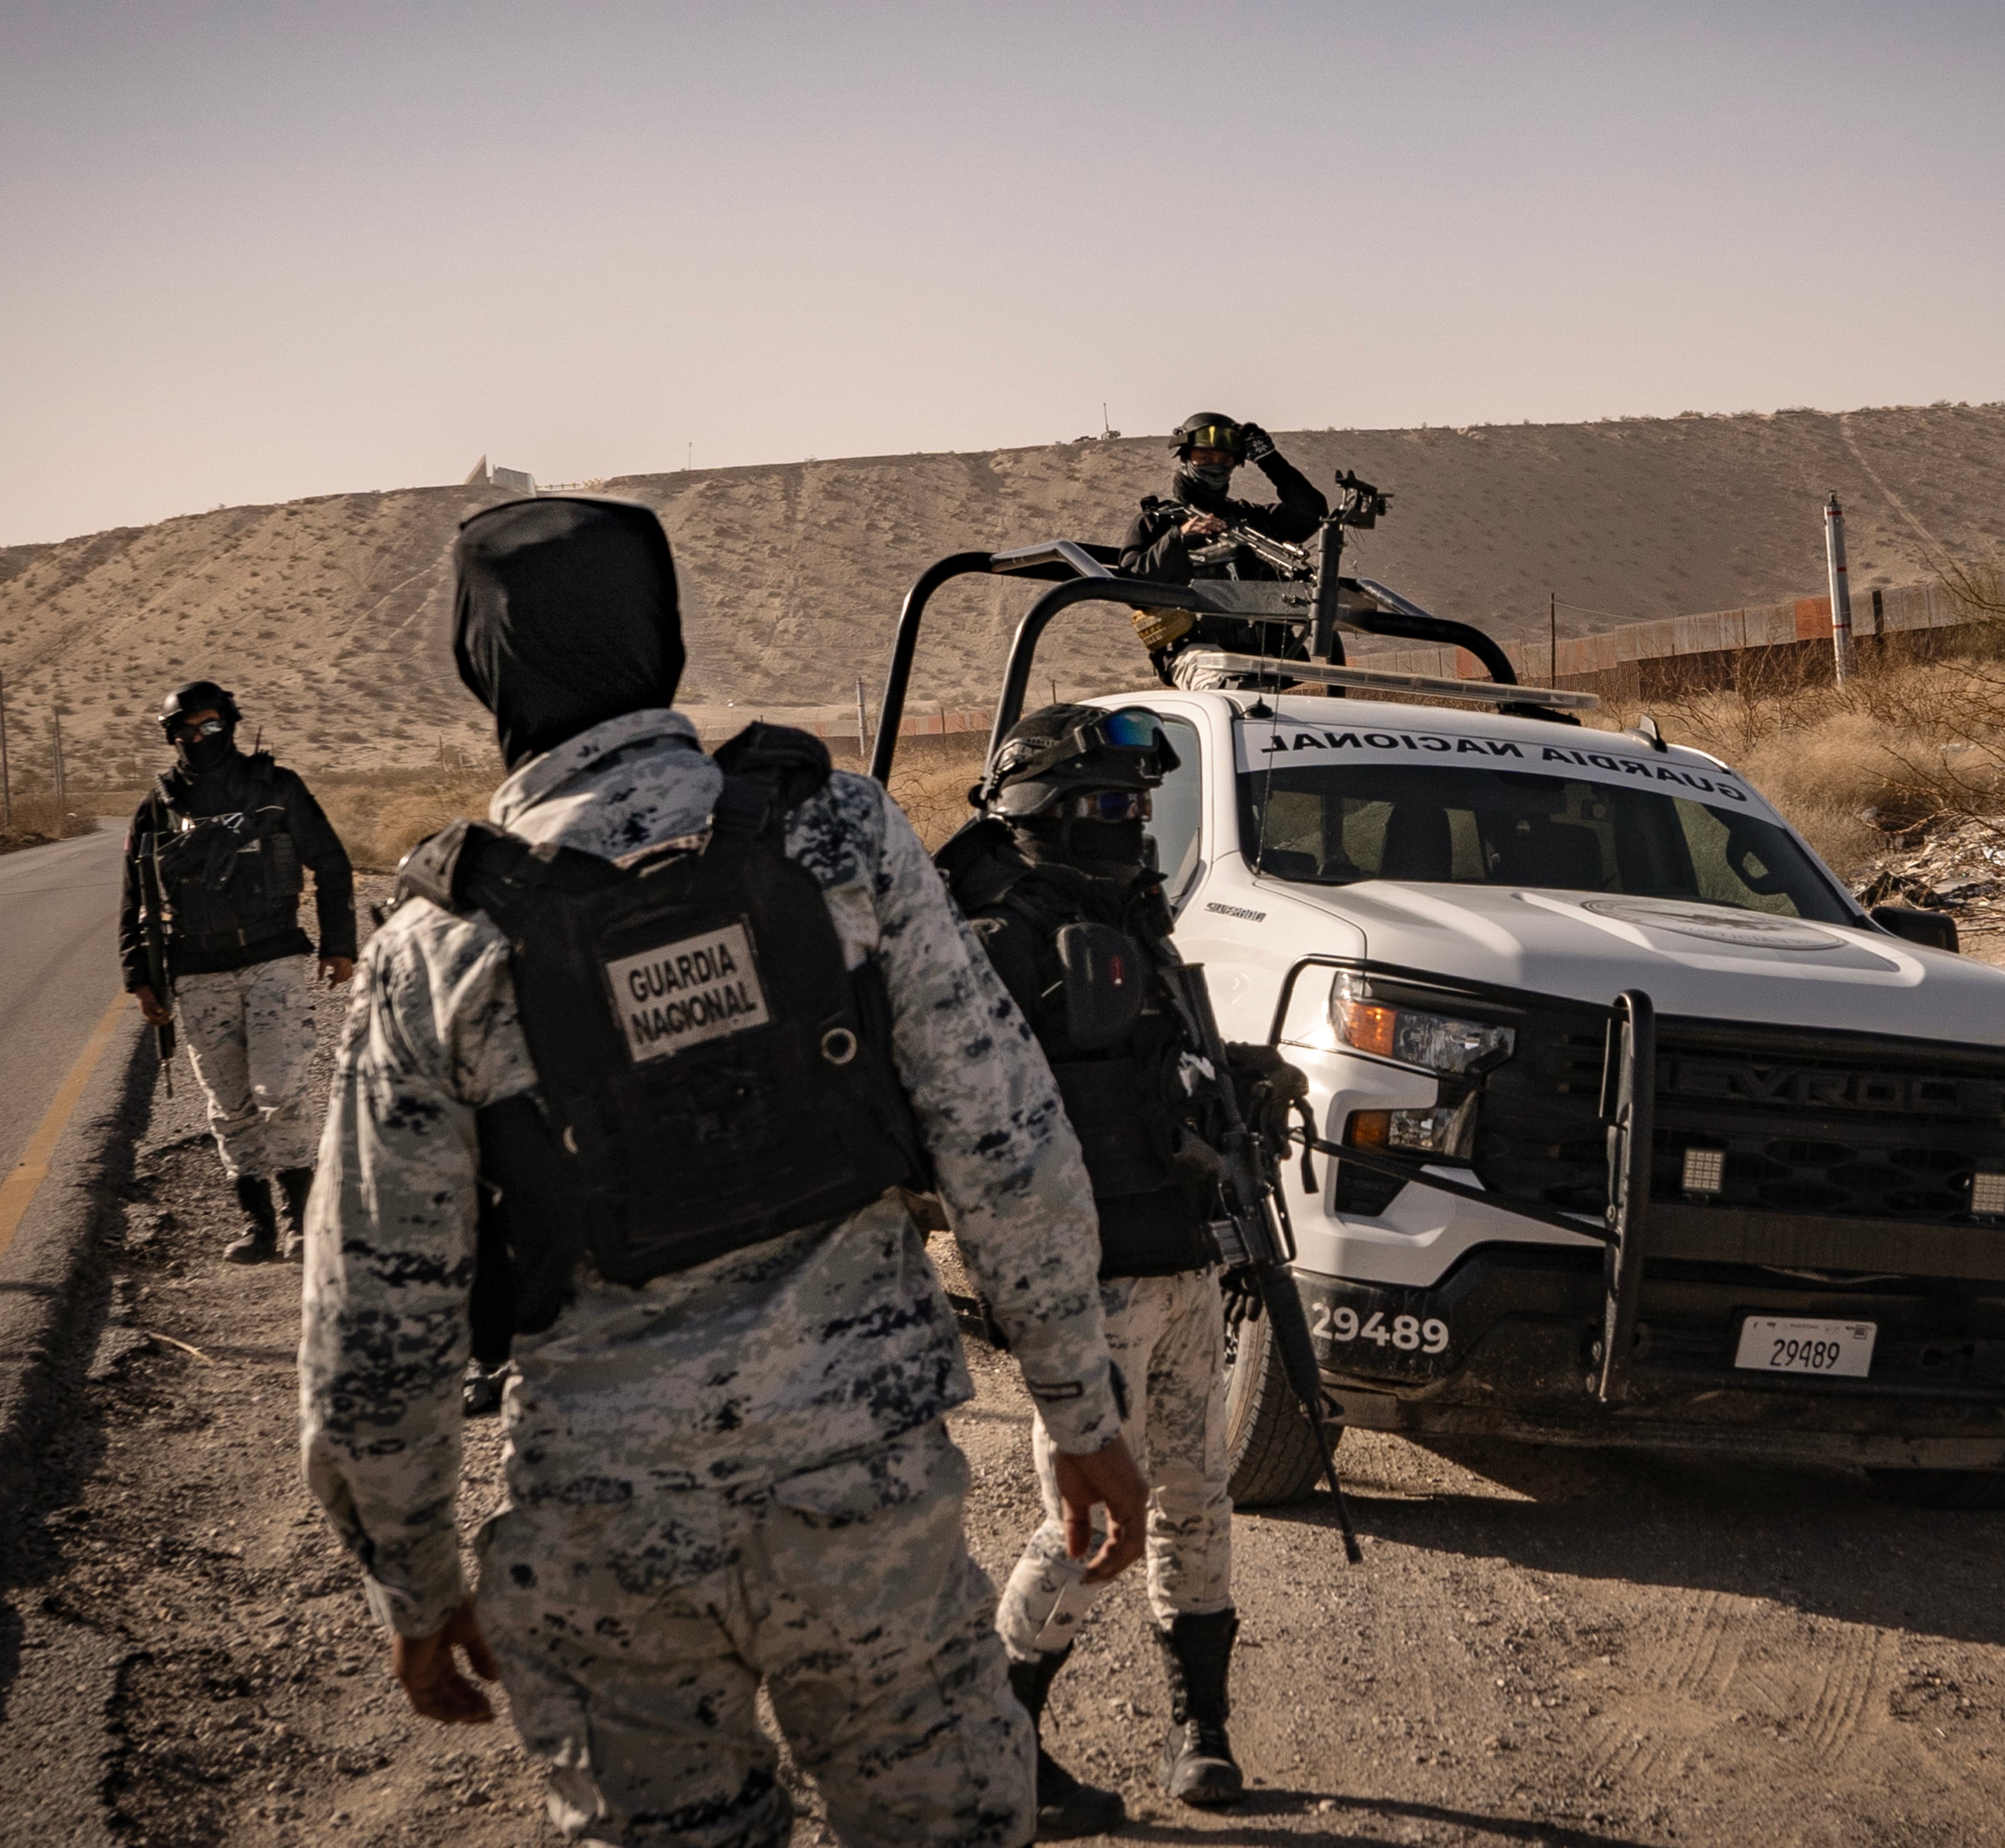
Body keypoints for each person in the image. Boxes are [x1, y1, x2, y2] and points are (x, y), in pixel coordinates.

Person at [299, 496, 1152, 1848]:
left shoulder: (434, 950)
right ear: (665, 638)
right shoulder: (843, 839)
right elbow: (1007, 1139)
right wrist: (1077, 1407)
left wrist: (411, 1584)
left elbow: (372, 1334)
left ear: (484, 667)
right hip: (863, 1510)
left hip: (604, 1539)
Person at [937, 704, 1249, 1833]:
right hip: (1089, 1285)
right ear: (1041, 806)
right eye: (1107, 805)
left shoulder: (1133, 921)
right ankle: (997, 1738)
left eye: (1138, 804)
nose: (1129, 825)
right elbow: (970, 1124)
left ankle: (1201, 1725)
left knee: (1198, 1499)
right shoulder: (1001, 937)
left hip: (1182, 1257)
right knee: (1084, 1528)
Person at [118, 679, 356, 1263]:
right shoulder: (160, 805)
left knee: (283, 1091)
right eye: (186, 731)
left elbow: (330, 862)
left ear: (231, 722)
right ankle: (258, 1227)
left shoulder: (276, 788)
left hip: (274, 956)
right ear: (172, 736)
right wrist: (140, 977)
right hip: (198, 970)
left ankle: (301, 1221)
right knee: (229, 1104)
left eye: (211, 727)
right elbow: (134, 895)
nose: (199, 739)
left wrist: (339, 944)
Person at [1119, 413, 1322, 690]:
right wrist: (1179, 539)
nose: (1215, 464)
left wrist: (1268, 458)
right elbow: (1132, 585)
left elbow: (1311, 512)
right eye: (1205, 456)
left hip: (1275, 655)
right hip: (1199, 655)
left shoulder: (1252, 520)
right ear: (1185, 456)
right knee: (1227, 695)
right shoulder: (1156, 523)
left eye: (1225, 459)